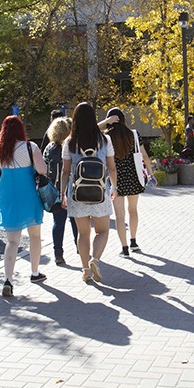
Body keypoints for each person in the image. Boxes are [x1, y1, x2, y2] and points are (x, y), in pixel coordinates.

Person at [60, 102, 119, 284]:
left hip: (77, 194)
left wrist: (62, 193)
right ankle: (95, 260)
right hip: (100, 192)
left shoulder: (69, 142)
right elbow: (111, 168)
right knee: (102, 231)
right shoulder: (104, 140)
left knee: (83, 234)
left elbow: (65, 171)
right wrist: (114, 187)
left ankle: (85, 270)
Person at [0, 115, 48, 297]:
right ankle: (34, 272)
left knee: (12, 241)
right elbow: (42, 170)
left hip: (8, 196)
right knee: (35, 236)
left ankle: (8, 280)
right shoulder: (30, 147)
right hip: (28, 194)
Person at [104, 108, 151, 256]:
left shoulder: (106, 137)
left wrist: (106, 122)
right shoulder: (134, 135)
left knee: (119, 215)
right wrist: (151, 173)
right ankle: (133, 241)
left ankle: (124, 248)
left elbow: (92, 129)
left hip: (115, 179)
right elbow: (144, 155)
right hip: (133, 177)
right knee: (133, 210)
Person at [43, 116, 78, 266]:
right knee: (76, 220)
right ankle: (80, 248)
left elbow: (44, 169)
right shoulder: (71, 146)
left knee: (58, 222)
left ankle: (58, 253)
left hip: (54, 190)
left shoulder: (49, 148)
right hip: (72, 188)